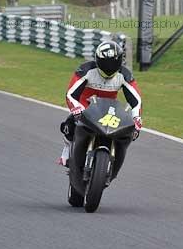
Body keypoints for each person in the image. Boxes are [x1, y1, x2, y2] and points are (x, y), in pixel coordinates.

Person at [58, 39, 142, 167]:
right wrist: (76, 108)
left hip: (109, 110)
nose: (109, 69)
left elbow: (136, 100)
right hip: (86, 106)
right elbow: (71, 93)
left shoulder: (124, 75)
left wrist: (136, 118)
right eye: (105, 64)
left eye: (113, 65)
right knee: (69, 124)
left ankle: (114, 160)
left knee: (128, 133)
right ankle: (66, 149)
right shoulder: (86, 70)